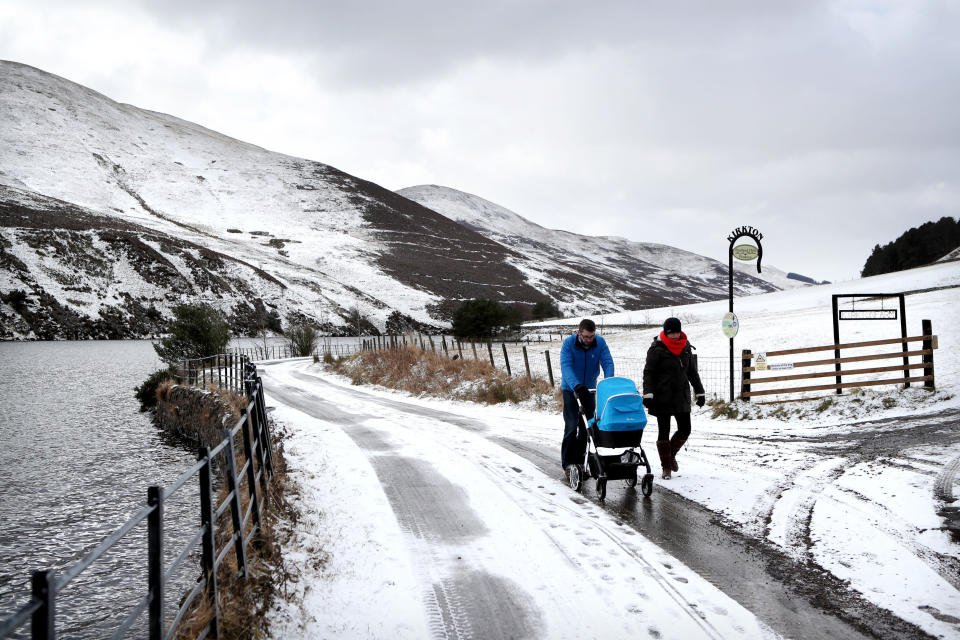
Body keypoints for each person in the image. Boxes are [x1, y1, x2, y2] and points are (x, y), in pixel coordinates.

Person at [642, 317, 705, 479]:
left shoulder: (685, 347)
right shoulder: (656, 349)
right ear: (666, 332)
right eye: (672, 333)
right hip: (662, 395)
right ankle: (666, 467)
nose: (675, 336)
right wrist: (648, 393)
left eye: (677, 332)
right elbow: (649, 372)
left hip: (681, 395)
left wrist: (700, 392)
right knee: (664, 431)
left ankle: (670, 456)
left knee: (685, 429)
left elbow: (692, 372)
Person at [560, 318, 614, 477]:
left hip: (589, 390)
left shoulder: (600, 343)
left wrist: (608, 382)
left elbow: (607, 362)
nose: (589, 340)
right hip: (571, 389)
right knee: (571, 425)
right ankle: (568, 463)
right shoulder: (569, 344)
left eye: (591, 337)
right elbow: (566, 366)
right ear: (579, 333)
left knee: (586, 427)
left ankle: (581, 461)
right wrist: (576, 385)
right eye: (586, 337)